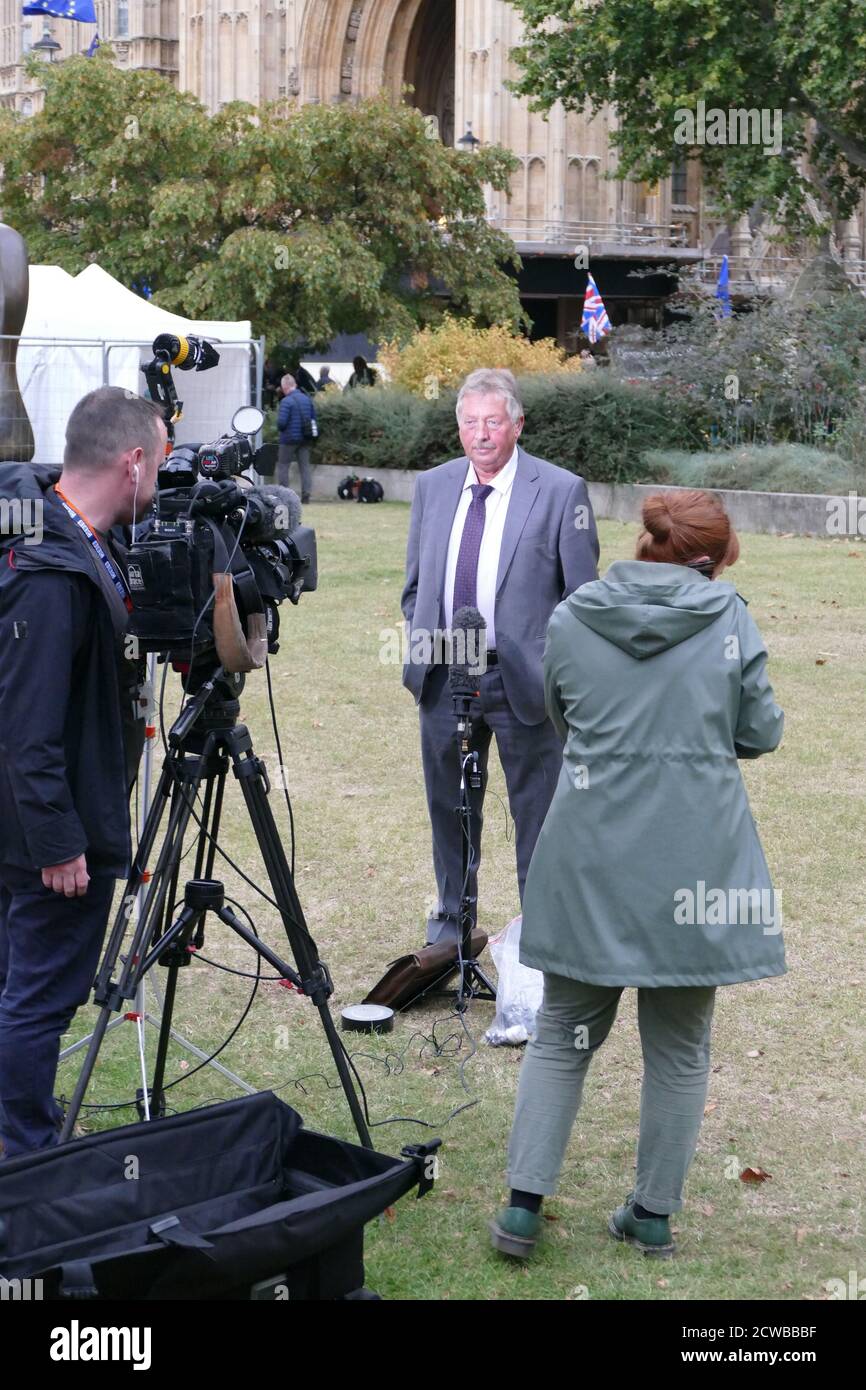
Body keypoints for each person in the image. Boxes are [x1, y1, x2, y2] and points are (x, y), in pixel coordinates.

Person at [491, 489, 786, 1260]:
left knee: (562, 1033)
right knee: (680, 1048)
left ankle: (522, 1208)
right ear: (710, 561)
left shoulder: (573, 614)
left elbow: (561, 715)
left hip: (590, 855)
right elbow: (760, 730)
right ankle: (652, 1214)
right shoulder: (729, 617)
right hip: (697, 861)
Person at [0, 387, 167, 1157]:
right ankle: (26, 1155)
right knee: (38, 1000)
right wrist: (60, 843)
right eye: (159, 465)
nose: (161, 482)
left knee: (19, 993)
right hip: (50, 838)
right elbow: (26, 727)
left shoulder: (75, 539)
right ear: (131, 462)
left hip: (39, 822)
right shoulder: (51, 572)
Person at [401, 367, 599, 948]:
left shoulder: (561, 491)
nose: (480, 434)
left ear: (517, 424)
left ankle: (544, 937)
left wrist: (562, 676)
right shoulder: (433, 487)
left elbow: (582, 600)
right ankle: (450, 931)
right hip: (444, 674)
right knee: (449, 807)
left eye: (492, 421)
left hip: (525, 684)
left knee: (537, 812)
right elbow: (416, 586)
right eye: (469, 422)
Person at [277, 372, 317, 504]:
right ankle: (306, 495)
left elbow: (282, 423)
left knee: (283, 466)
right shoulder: (306, 399)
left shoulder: (286, 401)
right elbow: (313, 419)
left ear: (285, 387)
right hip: (305, 438)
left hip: (288, 439)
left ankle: (284, 496)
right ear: (295, 385)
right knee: (305, 467)